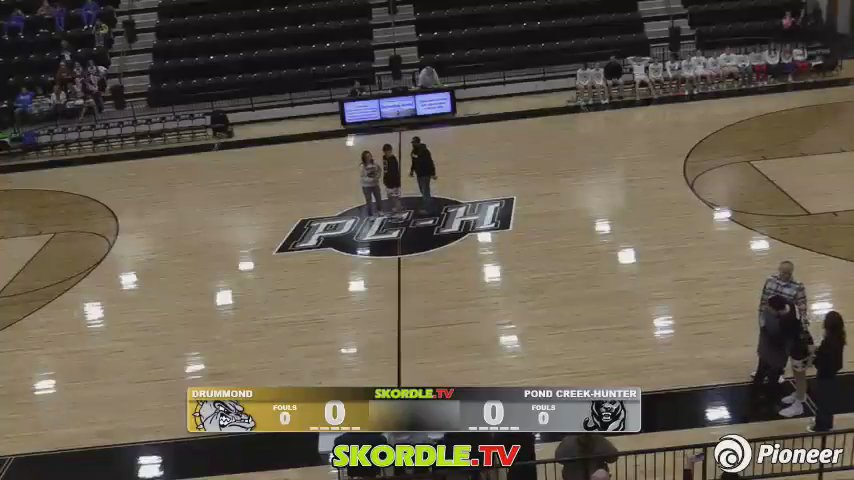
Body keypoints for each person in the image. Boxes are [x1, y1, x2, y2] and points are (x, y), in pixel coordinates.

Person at [809, 311, 845, 432]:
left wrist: (814, 356)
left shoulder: (828, 342)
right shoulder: (839, 337)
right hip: (832, 374)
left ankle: (820, 426)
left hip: (824, 374)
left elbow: (823, 359)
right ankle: (828, 423)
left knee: (823, 401)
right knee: (828, 400)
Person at [410, 136, 437, 213]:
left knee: (425, 191)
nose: (413, 144)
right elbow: (414, 162)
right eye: (412, 143)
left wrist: (433, 173)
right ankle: (430, 203)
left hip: (425, 174)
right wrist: (412, 170)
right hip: (419, 174)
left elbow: (430, 162)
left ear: (418, 143)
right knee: (422, 190)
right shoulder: (413, 152)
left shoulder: (425, 151)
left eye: (414, 143)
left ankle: (427, 209)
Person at [360, 150, 382, 216]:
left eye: (369, 156)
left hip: (375, 185)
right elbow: (363, 178)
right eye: (367, 156)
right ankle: (370, 214)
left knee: (378, 198)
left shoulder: (375, 163)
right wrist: (372, 179)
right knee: (369, 201)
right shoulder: (362, 166)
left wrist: (378, 176)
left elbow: (379, 170)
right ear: (364, 158)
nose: (369, 157)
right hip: (366, 186)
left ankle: (380, 211)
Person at [382, 143, 402, 214]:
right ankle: (396, 208)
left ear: (390, 151)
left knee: (395, 198)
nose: (387, 153)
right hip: (388, 182)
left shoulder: (393, 160)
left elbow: (395, 173)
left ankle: (399, 212)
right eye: (385, 152)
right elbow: (385, 170)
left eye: (388, 151)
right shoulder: (384, 158)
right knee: (390, 197)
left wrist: (396, 184)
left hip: (394, 182)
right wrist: (385, 178)